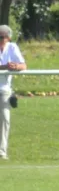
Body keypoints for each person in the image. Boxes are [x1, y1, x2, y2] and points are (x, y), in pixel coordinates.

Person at [0, 25, 27, 160]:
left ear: (8, 38)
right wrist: (5, 67)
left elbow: (23, 66)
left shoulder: (12, 47)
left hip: (4, 89)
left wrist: (16, 66)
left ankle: (2, 152)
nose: (1, 39)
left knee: (5, 119)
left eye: (3, 37)